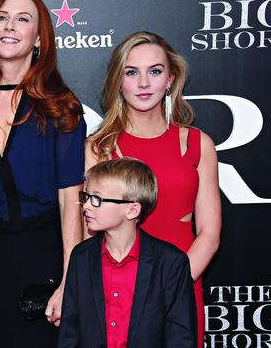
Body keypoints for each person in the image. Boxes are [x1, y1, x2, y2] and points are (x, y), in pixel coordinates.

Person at [0, 0, 86, 346]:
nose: (10, 26)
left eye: (22, 19)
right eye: (2, 17)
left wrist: (70, 279)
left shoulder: (60, 105)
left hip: (43, 256)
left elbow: (71, 199)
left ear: (38, 38)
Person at [85, 31, 221, 347]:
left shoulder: (198, 144)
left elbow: (210, 233)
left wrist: (170, 288)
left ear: (170, 79)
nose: (144, 83)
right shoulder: (99, 148)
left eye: (155, 71)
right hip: (116, 294)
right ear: (118, 81)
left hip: (183, 286)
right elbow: (87, 234)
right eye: (132, 72)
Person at [58, 158, 197, 347]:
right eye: (86, 197)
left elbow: (180, 338)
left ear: (132, 210)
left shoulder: (170, 263)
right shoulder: (81, 257)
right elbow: (70, 331)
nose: (86, 206)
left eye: (97, 199)